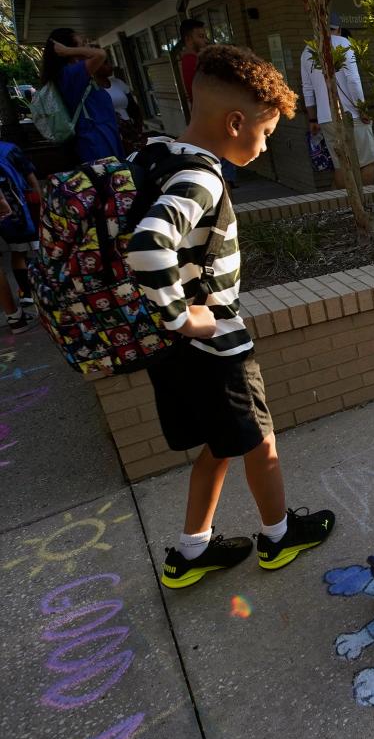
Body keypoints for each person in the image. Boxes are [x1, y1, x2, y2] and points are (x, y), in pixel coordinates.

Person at [125, 45, 335, 588]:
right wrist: (185, 319)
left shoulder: (156, 155)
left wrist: (171, 325)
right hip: (213, 347)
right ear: (234, 121)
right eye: (264, 133)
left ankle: (191, 551)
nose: (264, 147)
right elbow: (149, 246)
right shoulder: (204, 178)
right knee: (259, 442)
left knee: (218, 445)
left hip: (172, 353)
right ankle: (278, 535)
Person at [300, 15, 374, 188]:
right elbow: (353, 80)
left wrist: (312, 119)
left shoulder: (307, 51)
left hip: (325, 118)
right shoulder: (343, 43)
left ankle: (345, 205)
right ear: (339, 28)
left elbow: (307, 89)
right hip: (352, 114)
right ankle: (367, 202)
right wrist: (362, 108)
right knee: (367, 161)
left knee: (341, 165)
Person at [41, 29, 121, 163]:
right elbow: (100, 54)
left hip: (100, 138)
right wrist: (67, 51)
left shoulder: (73, 73)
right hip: (96, 143)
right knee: (112, 182)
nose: (86, 47)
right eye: (82, 44)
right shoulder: (70, 74)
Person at [180, 18, 238, 187]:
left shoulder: (194, 59)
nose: (205, 40)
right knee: (221, 164)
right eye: (200, 36)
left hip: (210, 114)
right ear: (188, 39)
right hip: (211, 116)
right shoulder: (193, 61)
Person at [0, 139, 39, 333]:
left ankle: (25, 296)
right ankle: (19, 313)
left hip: (9, 213)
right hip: (18, 209)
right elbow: (29, 175)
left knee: (17, 252)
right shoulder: (9, 149)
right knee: (26, 250)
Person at [95, 59, 144, 156]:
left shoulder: (118, 83)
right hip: (111, 134)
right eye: (105, 63)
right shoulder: (92, 89)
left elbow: (133, 107)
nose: (111, 66)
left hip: (129, 130)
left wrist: (138, 127)